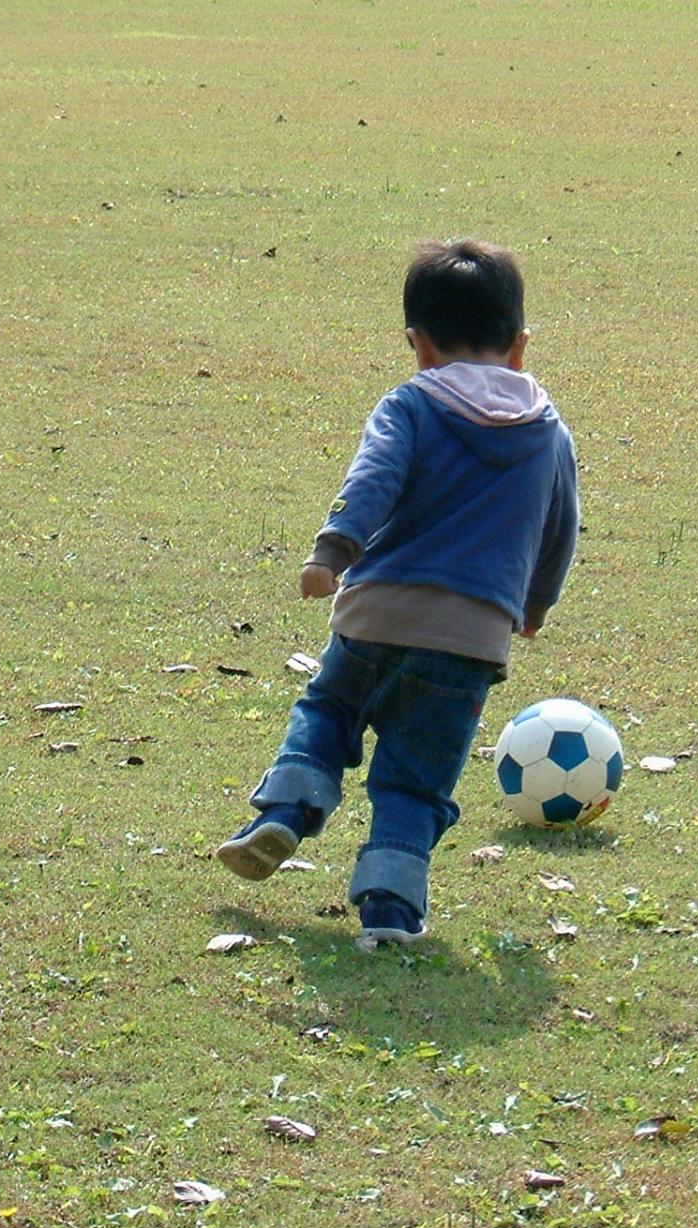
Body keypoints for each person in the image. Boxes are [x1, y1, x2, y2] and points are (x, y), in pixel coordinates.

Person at [216, 238, 579, 948]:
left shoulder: (411, 405)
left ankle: (286, 808)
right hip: (469, 640)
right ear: (521, 346)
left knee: (328, 709)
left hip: (375, 611)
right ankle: (389, 912)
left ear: (417, 344)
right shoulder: (548, 433)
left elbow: (373, 480)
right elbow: (561, 527)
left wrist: (333, 552)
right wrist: (536, 605)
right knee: (414, 779)